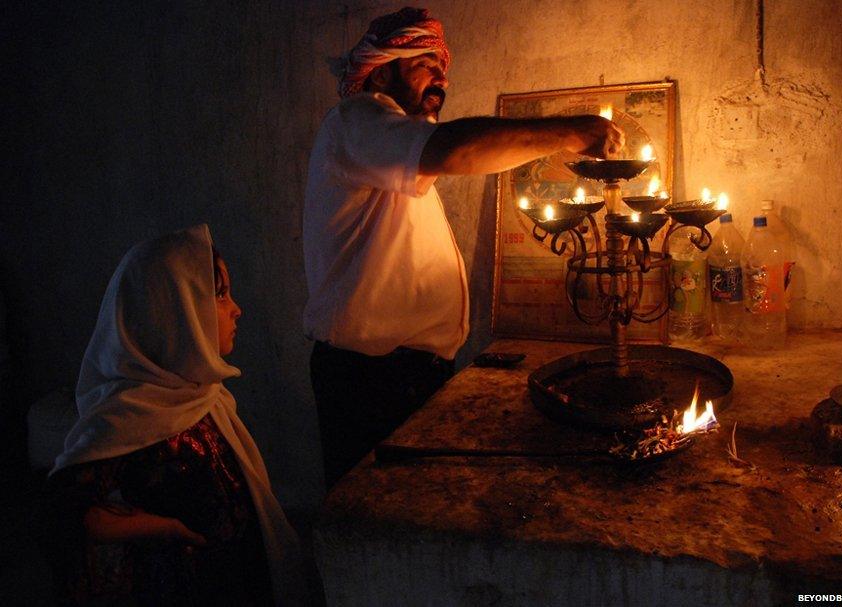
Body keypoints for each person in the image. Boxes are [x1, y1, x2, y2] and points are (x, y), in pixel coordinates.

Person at [305, 6, 625, 489]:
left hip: (408, 375)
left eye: (444, 69)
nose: (440, 79)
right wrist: (568, 133)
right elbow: (454, 148)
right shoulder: (357, 121)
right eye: (425, 64)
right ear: (384, 68)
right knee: (378, 517)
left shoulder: (387, 152)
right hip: (370, 381)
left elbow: (451, 151)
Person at [46, 225, 305, 605]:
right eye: (219, 295)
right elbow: (65, 511)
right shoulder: (126, 417)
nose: (236, 308)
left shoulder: (204, 396)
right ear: (174, 311)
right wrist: (166, 529)